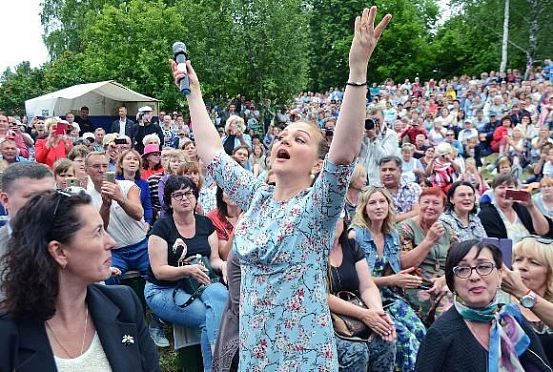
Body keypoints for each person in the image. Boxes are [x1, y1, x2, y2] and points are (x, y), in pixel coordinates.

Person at [171, 6, 391, 369]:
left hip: (301, 356)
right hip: (256, 351)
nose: (284, 141)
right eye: (283, 136)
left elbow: (345, 153)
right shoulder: (257, 197)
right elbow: (211, 153)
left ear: (317, 162)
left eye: (300, 139)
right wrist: (194, 92)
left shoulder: (318, 207)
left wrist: (358, 70)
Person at [0, 191, 160, 371]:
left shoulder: (123, 303)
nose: (111, 242)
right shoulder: (8, 333)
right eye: (98, 232)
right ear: (59, 252)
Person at [415, 239, 551, 371]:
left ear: (499, 276)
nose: (474, 276)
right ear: (452, 283)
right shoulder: (442, 334)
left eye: (484, 267)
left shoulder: (511, 320)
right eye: (462, 270)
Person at [145, 176, 228, 371]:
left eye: (189, 193)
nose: (184, 198)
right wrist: (186, 270)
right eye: (178, 195)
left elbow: (213, 259)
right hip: (163, 288)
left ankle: (221, 362)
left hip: (199, 282)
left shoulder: (205, 223)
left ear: (196, 197)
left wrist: (222, 265)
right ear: (170, 201)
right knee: (208, 317)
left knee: (221, 295)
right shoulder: (162, 227)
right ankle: (215, 367)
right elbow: (159, 271)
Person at [349, 186, 426, 371]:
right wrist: (393, 280)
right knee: (404, 339)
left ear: (389, 205)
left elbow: (393, 273)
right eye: (372, 202)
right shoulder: (355, 234)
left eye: (382, 202)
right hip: (364, 300)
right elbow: (354, 280)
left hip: (390, 296)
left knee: (421, 332)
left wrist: (404, 280)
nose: (378, 207)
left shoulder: (391, 234)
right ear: (364, 208)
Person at [328, 212, 396, 372]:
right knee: (356, 352)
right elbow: (321, 295)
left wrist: (377, 313)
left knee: (386, 338)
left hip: (356, 309)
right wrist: (364, 315)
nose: (334, 223)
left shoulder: (350, 246)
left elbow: (367, 286)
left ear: (344, 220)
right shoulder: (313, 253)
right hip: (326, 316)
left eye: (337, 218)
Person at [398, 187, 457, 321]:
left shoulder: (448, 230)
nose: (430, 207)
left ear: (443, 208)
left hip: (444, 283)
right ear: (419, 205)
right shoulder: (405, 228)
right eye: (426, 202)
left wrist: (444, 280)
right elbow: (405, 264)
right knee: (446, 311)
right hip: (416, 284)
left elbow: (459, 261)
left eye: (436, 203)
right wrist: (429, 241)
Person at [512, 236, 553, 363]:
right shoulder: (500, 304)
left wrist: (523, 293)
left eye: (534, 262)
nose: (522, 267)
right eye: (518, 260)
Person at [478, 174, 552, 243]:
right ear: (493, 191)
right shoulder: (486, 214)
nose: (506, 191)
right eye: (501, 187)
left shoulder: (523, 208)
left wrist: (531, 207)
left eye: (510, 187)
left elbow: (543, 231)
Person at [115, 149, 154, 226]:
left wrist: (148, 223)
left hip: (139, 224)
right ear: (121, 164)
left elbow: (147, 207)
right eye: (128, 159)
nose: (132, 161)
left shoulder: (144, 184)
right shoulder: (115, 182)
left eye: (135, 159)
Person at [379, 156, 421, 223]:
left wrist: (393, 219)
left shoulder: (413, 188)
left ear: (400, 171)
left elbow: (418, 212)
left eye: (391, 169)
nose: (387, 173)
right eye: (384, 170)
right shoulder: (375, 192)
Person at [207, 187, 243, 260]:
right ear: (222, 196)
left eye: (237, 189)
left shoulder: (252, 213)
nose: (233, 193)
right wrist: (237, 228)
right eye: (227, 190)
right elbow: (225, 256)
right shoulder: (214, 217)